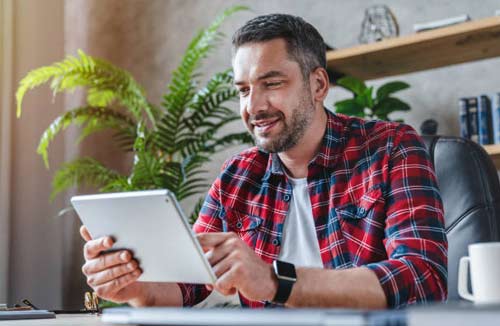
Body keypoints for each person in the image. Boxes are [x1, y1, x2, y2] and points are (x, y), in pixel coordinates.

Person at [80, 13, 447, 309]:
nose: (253, 107)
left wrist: (274, 282)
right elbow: (189, 284)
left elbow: (421, 277)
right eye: (243, 90)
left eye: (271, 84)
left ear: (318, 85)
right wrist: (135, 288)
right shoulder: (239, 176)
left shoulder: (391, 148)